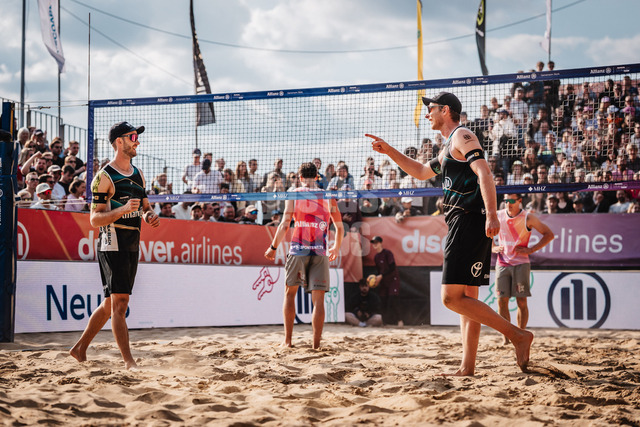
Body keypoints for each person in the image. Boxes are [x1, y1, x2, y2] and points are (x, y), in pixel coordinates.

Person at [366, 91, 533, 375]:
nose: (427, 113)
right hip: (465, 221)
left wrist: (492, 214)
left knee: (450, 298)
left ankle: (518, 335)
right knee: (467, 298)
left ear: (445, 110)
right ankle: (468, 366)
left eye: (431, 108)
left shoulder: (462, 135)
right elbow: (421, 171)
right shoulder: (448, 147)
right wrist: (389, 150)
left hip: (468, 219)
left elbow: (484, 173)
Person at [70, 122, 160, 370]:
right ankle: (129, 361)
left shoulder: (139, 174)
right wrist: (122, 210)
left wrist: (149, 216)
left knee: (110, 304)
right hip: (112, 242)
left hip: (132, 243)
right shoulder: (104, 176)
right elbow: (94, 219)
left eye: (137, 137)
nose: (137, 141)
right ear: (119, 141)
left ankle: (79, 349)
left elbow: (145, 207)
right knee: (120, 303)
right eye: (133, 137)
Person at [264, 162, 344, 349]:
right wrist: (336, 248)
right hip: (320, 250)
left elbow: (285, 224)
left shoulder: (293, 193)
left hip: (298, 249)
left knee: (290, 294)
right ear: (317, 177)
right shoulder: (327, 196)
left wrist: (273, 247)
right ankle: (316, 345)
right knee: (318, 300)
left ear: (300, 177)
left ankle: (287, 342)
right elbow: (340, 228)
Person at [493, 193, 554, 345]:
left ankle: (520, 335)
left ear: (520, 201)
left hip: (521, 263)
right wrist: (492, 247)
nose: (508, 203)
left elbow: (549, 235)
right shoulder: (498, 215)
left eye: (511, 200)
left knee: (521, 301)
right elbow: (484, 232)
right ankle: (506, 337)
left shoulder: (528, 217)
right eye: (506, 200)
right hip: (502, 263)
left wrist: (531, 249)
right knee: (502, 301)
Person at [370, 236, 403, 327]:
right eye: (373, 243)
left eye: (376, 242)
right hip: (384, 281)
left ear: (381, 243)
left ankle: (400, 321)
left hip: (392, 279)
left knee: (393, 299)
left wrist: (381, 276)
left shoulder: (387, 253)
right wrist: (376, 280)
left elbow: (392, 267)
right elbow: (379, 271)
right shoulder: (376, 257)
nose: (374, 244)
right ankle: (384, 322)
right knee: (382, 300)